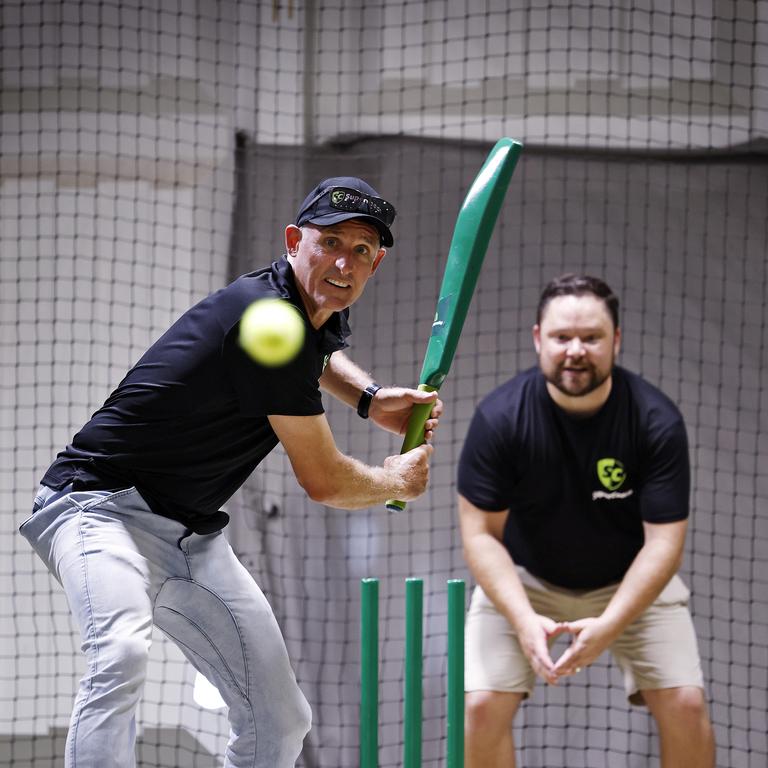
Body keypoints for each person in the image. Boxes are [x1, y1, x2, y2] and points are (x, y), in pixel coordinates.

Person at [20, 176, 442, 768]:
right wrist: (397, 481)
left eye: (362, 250)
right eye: (330, 242)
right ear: (295, 239)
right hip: (96, 508)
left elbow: (316, 352)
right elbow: (324, 481)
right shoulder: (265, 317)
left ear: (378, 262)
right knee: (117, 653)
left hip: (190, 538)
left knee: (281, 720)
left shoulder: (305, 313)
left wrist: (369, 399)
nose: (343, 262)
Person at [458, 274, 715, 768]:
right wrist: (521, 618)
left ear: (615, 341)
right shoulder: (500, 418)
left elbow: (663, 545)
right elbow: (480, 537)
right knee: (482, 706)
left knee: (686, 704)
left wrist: (611, 622)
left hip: (631, 584)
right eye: (561, 337)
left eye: (591, 337)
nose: (575, 350)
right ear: (538, 339)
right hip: (525, 583)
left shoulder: (655, 421)